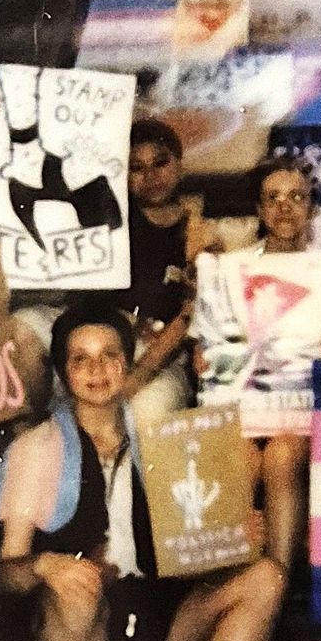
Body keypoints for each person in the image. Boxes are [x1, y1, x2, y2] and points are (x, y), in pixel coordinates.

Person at [165, 160, 321, 641]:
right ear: (259, 208)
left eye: (296, 196)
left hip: (301, 416)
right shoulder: (231, 270)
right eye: (273, 197)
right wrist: (204, 357)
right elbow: (206, 347)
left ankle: (277, 581)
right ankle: (240, 589)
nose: (285, 207)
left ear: (311, 206)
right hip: (243, 412)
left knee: (283, 454)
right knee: (242, 457)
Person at [0, 301, 156, 641]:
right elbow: (7, 574)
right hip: (72, 622)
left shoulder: (160, 440)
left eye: (109, 356)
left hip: (150, 609)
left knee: (263, 579)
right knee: (79, 592)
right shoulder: (38, 448)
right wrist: (45, 565)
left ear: (127, 364)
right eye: (81, 359)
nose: (97, 371)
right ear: (63, 373)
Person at [120, 118, 204, 436]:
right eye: (136, 168)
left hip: (163, 360)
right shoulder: (110, 223)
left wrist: (136, 378)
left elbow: (187, 319)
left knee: (143, 415)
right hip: (106, 348)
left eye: (160, 163)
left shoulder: (199, 236)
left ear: (179, 166)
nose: (151, 176)